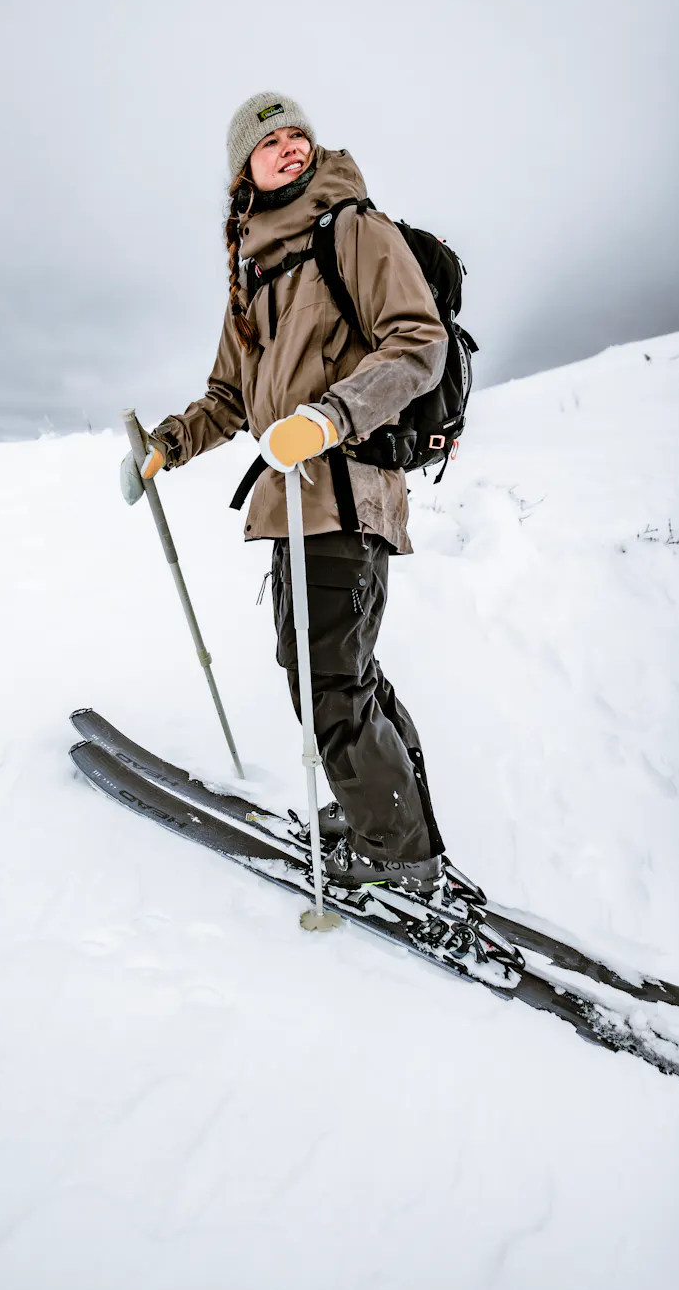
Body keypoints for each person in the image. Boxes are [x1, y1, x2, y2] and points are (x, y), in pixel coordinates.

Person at [125, 91, 450, 897]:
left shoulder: (351, 228)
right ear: (244, 170)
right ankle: (380, 813)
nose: (293, 146)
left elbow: (419, 342)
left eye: (300, 134)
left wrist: (330, 417)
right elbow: (229, 397)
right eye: (273, 141)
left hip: (344, 488)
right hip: (293, 502)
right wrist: (170, 443)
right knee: (334, 672)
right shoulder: (257, 268)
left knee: (329, 681)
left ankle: (396, 852)